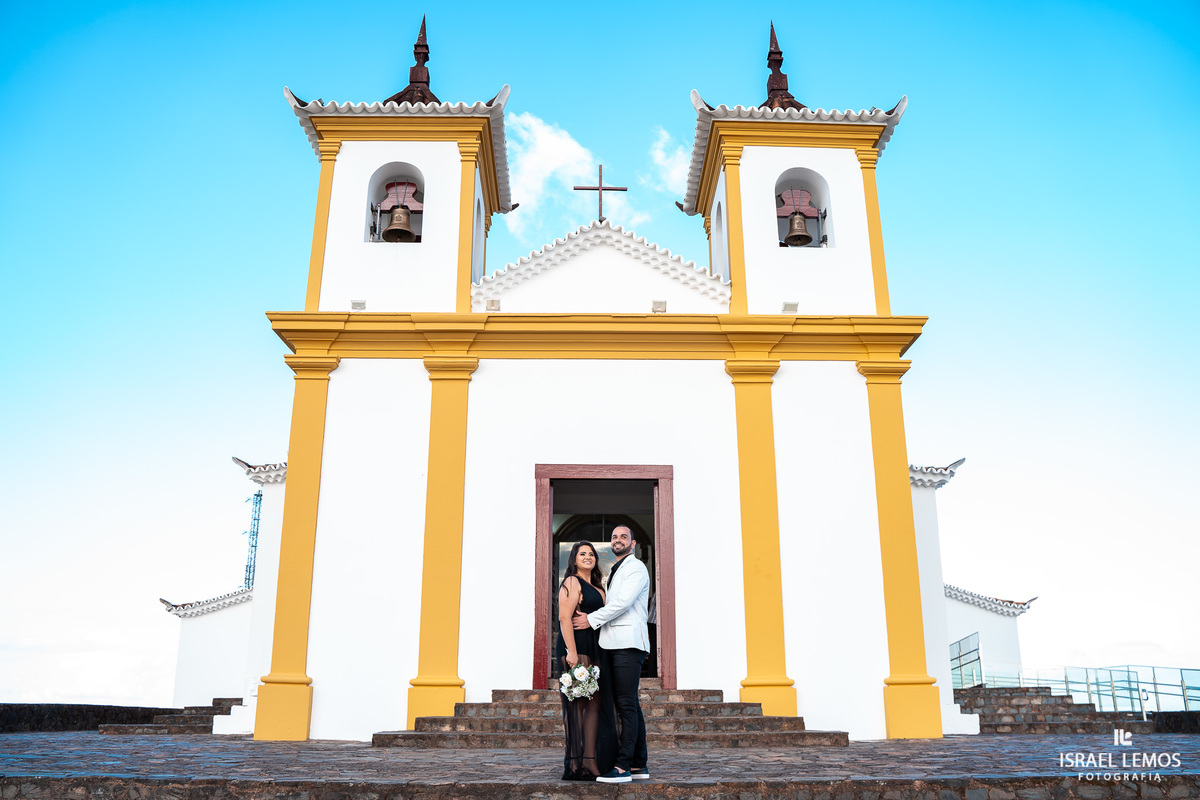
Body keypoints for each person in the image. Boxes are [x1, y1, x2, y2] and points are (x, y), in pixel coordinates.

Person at [573, 525, 650, 784]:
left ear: (633, 543)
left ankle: (623, 767)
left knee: (626, 705)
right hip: (615, 643)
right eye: (614, 537)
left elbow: (622, 603)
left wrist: (591, 619)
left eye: (623, 537)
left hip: (628, 643)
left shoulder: (636, 568)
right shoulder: (614, 571)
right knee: (630, 704)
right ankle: (639, 764)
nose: (618, 540)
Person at [555, 541, 617, 780]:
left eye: (591, 554)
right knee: (577, 704)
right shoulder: (572, 582)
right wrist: (571, 652)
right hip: (576, 646)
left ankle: (590, 761)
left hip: (596, 648)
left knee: (594, 703)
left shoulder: (599, 588)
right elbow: (564, 617)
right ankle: (574, 762)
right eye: (583, 554)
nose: (588, 557)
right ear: (574, 559)